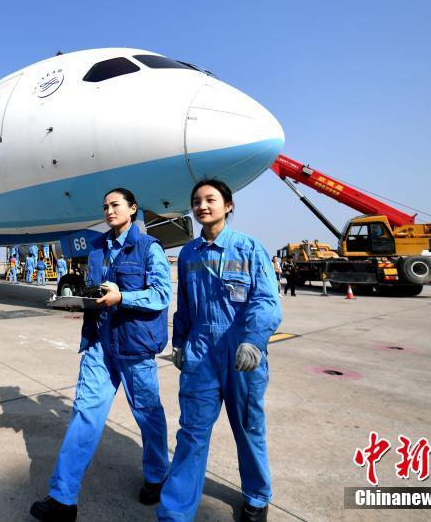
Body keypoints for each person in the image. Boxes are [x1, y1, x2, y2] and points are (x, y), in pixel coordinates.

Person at [31, 187, 173, 522]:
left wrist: (122, 297)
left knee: (148, 415)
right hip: (100, 341)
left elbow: (161, 294)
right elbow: (95, 290)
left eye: (115, 205)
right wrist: (77, 299)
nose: (109, 211)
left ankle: (156, 476)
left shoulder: (149, 248)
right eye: (105, 206)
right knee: (84, 413)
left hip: (134, 344)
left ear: (133, 209)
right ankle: (63, 500)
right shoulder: (96, 248)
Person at [158, 179, 281, 522]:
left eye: (211, 199)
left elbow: (266, 300)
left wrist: (254, 341)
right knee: (192, 433)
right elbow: (184, 305)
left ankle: (257, 495)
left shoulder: (248, 248)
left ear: (228, 206)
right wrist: (179, 343)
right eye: (196, 201)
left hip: (242, 353)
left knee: (248, 428)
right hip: (200, 354)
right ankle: (175, 511)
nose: (202, 206)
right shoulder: (187, 254)